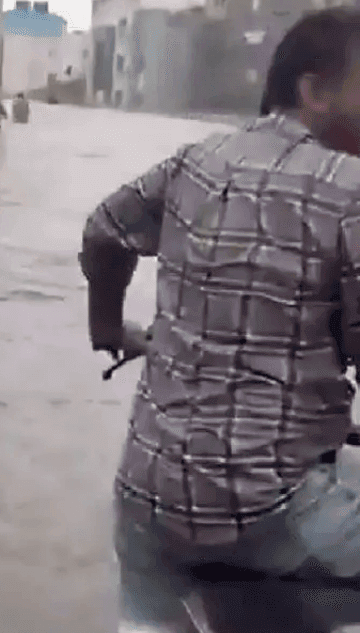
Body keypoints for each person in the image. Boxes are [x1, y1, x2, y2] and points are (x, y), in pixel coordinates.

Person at [81, 9, 360, 630]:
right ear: (315, 92)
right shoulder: (352, 187)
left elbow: (104, 230)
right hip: (271, 511)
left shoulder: (195, 160)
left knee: (152, 603)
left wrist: (108, 330)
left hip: (145, 497)